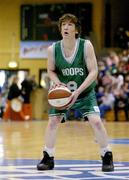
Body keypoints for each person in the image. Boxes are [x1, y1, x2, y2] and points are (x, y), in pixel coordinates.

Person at [37, 13, 114, 172]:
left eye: (70, 25)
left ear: (76, 30)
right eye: (63, 25)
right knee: (52, 122)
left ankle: (106, 155)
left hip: (84, 92)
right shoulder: (53, 49)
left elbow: (93, 72)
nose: (66, 27)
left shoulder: (86, 45)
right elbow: (50, 70)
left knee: (96, 121)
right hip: (63, 93)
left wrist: (78, 92)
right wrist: (57, 82)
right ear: (60, 29)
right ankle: (48, 156)